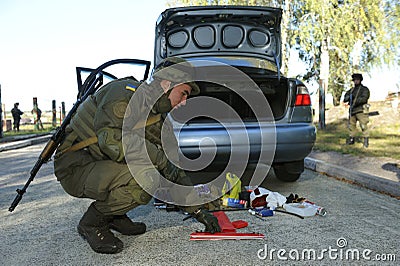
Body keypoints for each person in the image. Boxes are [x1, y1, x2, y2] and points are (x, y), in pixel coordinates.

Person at [53, 57, 221, 254]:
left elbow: (173, 169)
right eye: (183, 94)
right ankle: (93, 222)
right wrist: (158, 158)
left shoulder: (159, 119)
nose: (184, 102)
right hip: (76, 166)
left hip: (101, 163)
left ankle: (115, 215)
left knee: (153, 171)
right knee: (146, 179)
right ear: (167, 84)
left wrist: (198, 210)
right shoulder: (125, 94)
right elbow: (112, 143)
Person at [343, 73, 370, 148]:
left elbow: (364, 99)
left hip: (361, 110)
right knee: (351, 126)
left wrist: (355, 100)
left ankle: (366, 140)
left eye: (357, 79)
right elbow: (345, 98)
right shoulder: (351, 90)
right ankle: (352, 139)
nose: (356, 81)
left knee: (363, 125)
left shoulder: (364, 89)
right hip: (352, 111)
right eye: (354, 80)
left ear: (360, 80)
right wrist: (349, 97)